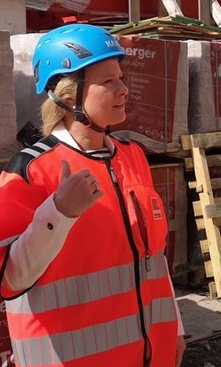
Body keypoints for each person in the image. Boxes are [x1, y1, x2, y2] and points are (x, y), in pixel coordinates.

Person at [0, 24, 185, 367]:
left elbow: (153, 257)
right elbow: (9, 281)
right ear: (69, 96)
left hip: (150, 354)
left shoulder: (133, 156)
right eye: (108, 82)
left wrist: (175, 326)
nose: (124, 89)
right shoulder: (29, 170)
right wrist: (58, 213)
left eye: (121, 77)